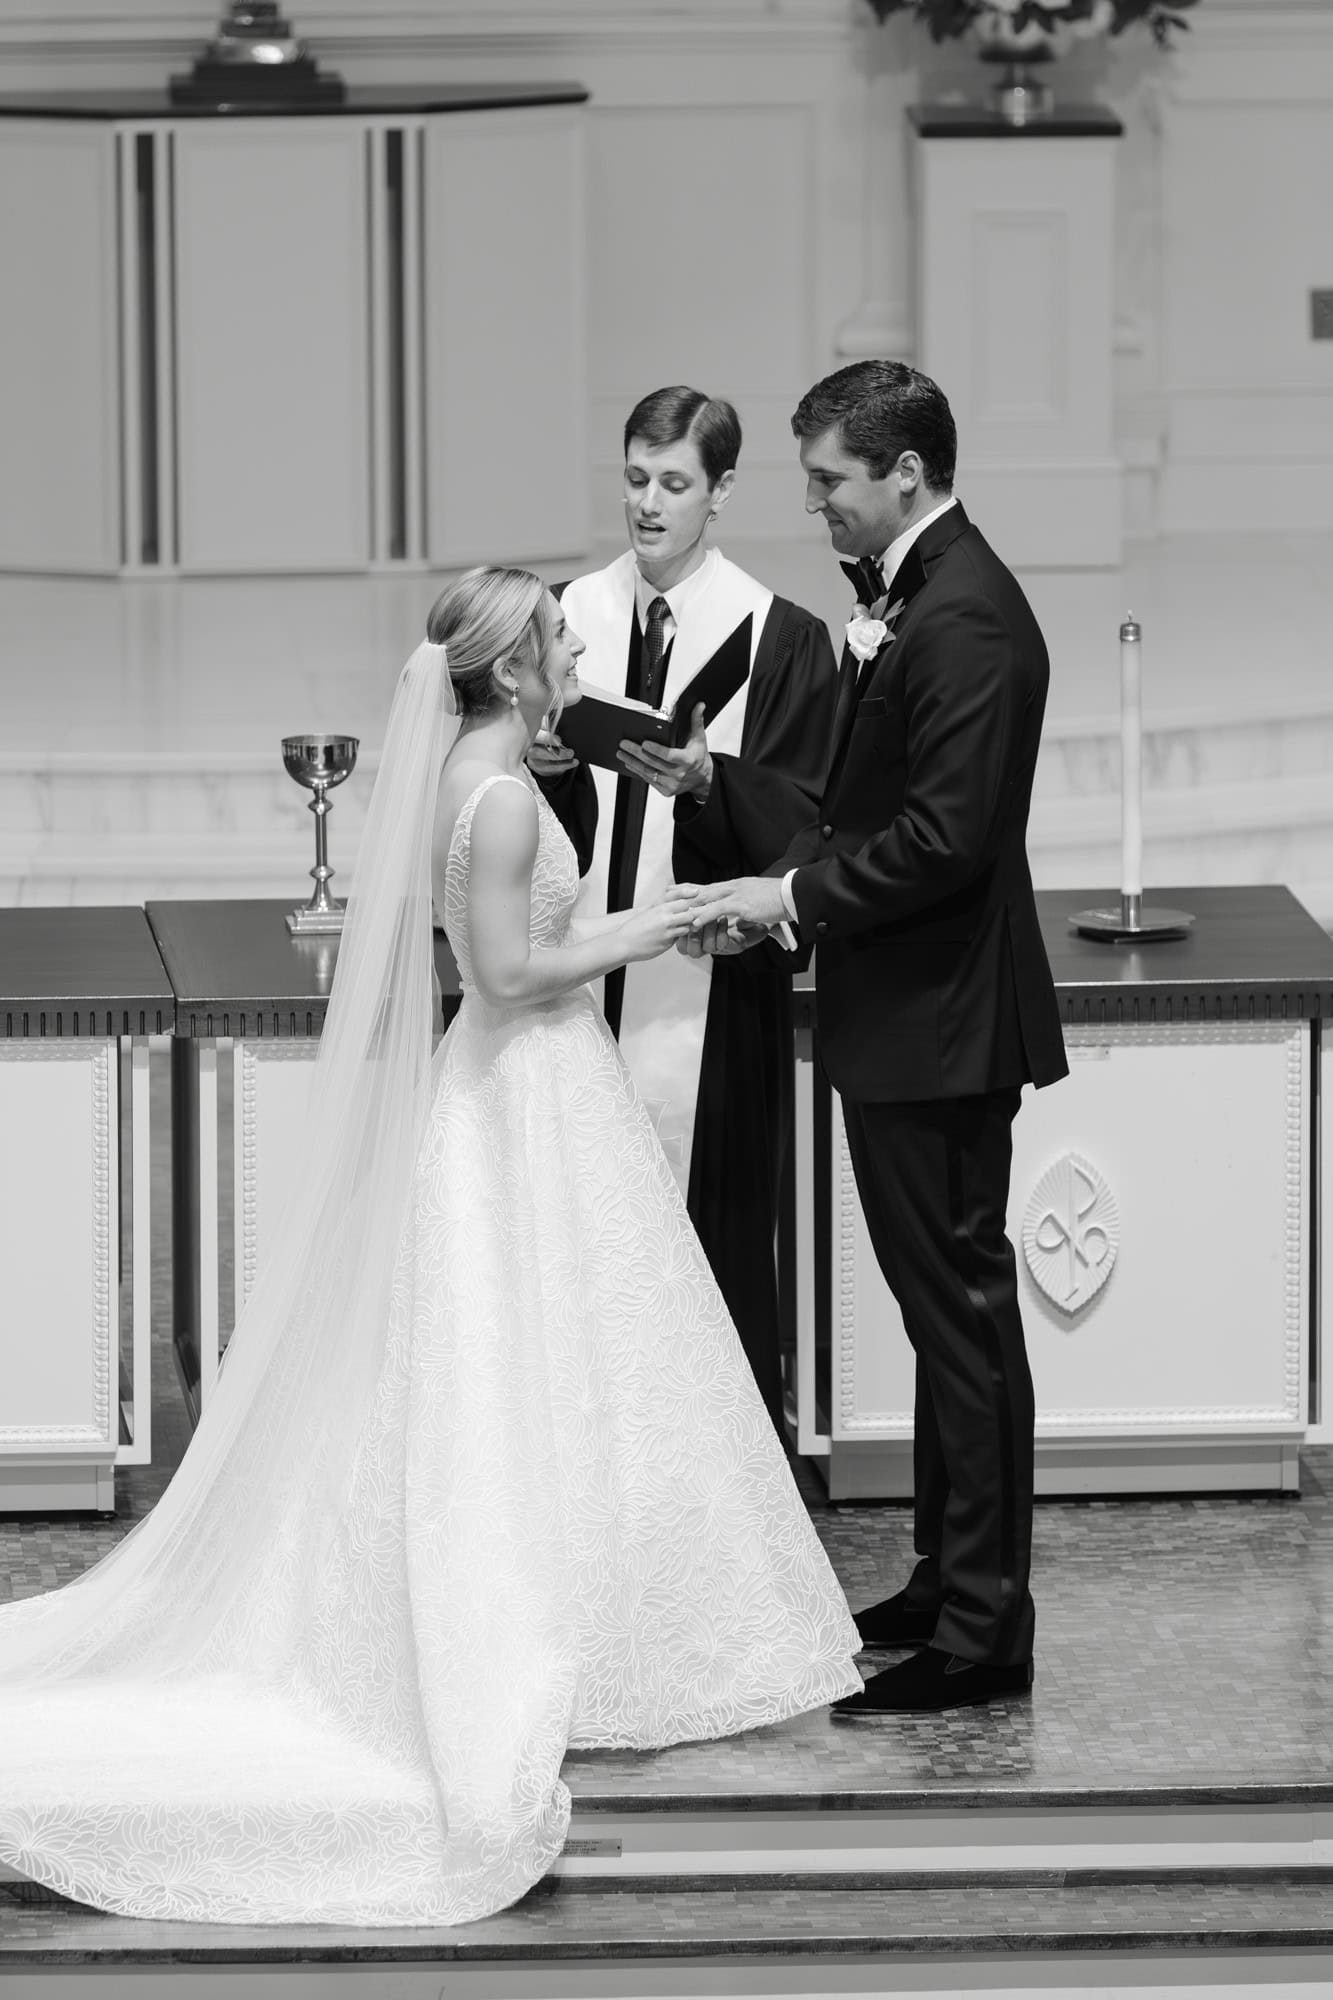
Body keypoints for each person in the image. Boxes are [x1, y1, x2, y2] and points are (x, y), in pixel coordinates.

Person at [0, 568, 860, 1925]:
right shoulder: (501, 795)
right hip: (527, 1084)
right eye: (556, 636)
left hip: (527, 1085)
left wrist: (656, 913)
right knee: (539, 1362)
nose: (575, 644)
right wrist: (661, 922)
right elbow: (507, 976)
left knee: (547, 1358)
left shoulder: (481, 770)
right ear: (513, 669)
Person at [684, 361, 1069, 1716]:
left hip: (943, 1021)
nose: (817, 505)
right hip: (905, 1010)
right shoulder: (912, 596)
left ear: (905, 472)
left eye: (830, 480)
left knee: (962, 1319)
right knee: (933, 1313)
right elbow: (867, 804)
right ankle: (941, 1577)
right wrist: (767, 853)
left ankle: (985, 1629)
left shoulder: (966, 618)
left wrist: (787, 897)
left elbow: (943, 839)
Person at [531, 385, 839, 1437]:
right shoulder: (563, 616)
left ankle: (712, 1464)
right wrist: (543, 768)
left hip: (709, 995)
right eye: (634, 478)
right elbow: (504, 802)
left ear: (721, 491)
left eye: (673, 483)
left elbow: (810, 818)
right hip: (573, 976)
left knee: (707, 1242)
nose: (647, 504)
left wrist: (712, 783)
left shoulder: (780, 637)